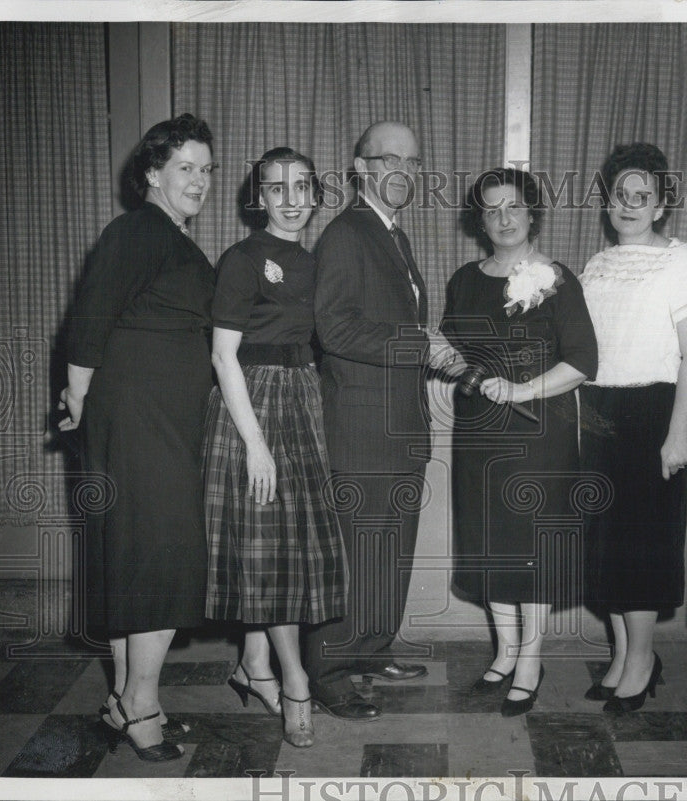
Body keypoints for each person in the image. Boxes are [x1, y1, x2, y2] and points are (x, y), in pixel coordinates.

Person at [59, 113, 216, 762]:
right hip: (138, 423)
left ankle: (125, 699)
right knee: (159, 558)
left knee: (134, 559)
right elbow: (89, 318)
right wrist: (79, 397)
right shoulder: (137, 230)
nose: (200, 180)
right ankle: (141, 704)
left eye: (207, 169)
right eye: (186, 167)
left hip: (159, 422)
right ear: (152, 173)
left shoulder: (169, 238)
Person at [203, 149, 348, 748]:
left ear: (315, 195)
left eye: (301, 187)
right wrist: (255, 445)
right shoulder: (241, 260)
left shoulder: (312, 261)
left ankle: (253, 663)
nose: (291, 199)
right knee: (276, 550)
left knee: (280, 549)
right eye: (276, 188)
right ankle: (294, 683)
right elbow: (222, 355)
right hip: (252, 409)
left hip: (301, 401)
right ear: (257, 198)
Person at [441, 167, 598, 717]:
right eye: (491, 209)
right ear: (479, 218)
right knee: (492, 543)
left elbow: (583, 362)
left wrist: (520, 389)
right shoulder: (464, 278)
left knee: (531, 549)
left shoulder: (557, 278)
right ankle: (505, 650)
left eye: (514, 207)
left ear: (533, 214)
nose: (503, 218)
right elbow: (452, 351)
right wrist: (463, 370)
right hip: (480, 435)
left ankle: (531, 657)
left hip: (539, 434)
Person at [308, 121, 450, 720]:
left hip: (397, 428)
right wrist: (419, 342)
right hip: (362, 429)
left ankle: (370, 651)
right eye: (390, 159)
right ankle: (331, 673)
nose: (404, 172)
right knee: (357, 556)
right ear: (361, 169)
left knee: (388, 554)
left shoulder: (392, 235)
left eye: (414, 162)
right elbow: (334, 328)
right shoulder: (346, 235)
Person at [579, 144, 687, 714]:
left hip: (653, 412)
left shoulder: (684, 262)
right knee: (604, 544)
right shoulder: (599, 263)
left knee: (640, 544)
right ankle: (620, 654)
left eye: (643, 197)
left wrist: (678, 432)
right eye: (620, 196)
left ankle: (642, 660)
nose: (629, 206)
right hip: (598, 410)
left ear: (661, 206)